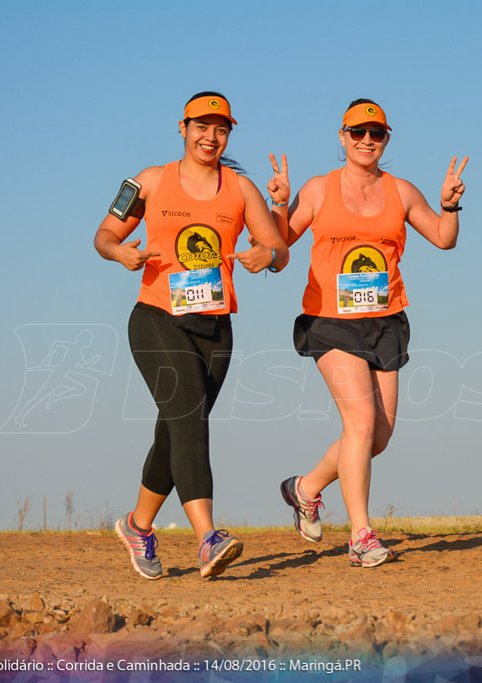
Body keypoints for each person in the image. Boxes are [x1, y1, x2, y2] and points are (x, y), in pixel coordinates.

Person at [94, 91, 290, 580]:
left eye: (221, 129)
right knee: (187, 419)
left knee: (177, 427)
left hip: (215, 327)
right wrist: (122, 255)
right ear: (182, 128)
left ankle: (138, 527)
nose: (211, 136)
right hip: (157, 316)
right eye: (202, 126)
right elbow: (104, 236)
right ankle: (207, 537)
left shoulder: (241, 190)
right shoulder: (148, 181)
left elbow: (278, 248)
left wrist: (266, 256)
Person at [276, 98, 467, 567]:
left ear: (386, 139)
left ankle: (304, 488)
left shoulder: (401, 191)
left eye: (375, 133)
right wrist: (279, 203)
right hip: (330, 320)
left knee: (379, 435)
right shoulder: (320, 189)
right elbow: (280, 245)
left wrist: (450, 206)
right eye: (357, 133)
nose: (366, 141)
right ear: (341, 137)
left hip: (385, 321)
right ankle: (361, 536)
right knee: (359, 425)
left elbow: (443, 237)